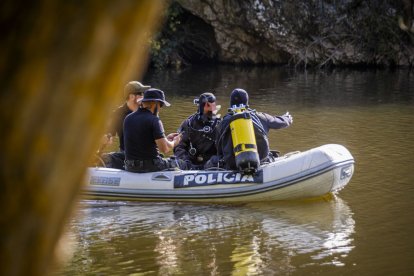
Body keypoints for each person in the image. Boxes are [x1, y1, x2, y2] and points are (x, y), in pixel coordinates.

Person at [215, 88, 293, 170]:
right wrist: (287, 118)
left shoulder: (222, 123)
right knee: (272, 154)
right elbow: (280, 122)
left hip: (233, 166)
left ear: (231, 103)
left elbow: (218, 148)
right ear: (246, 102)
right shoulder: (259, 116)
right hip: (261, 161)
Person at [123, 88, 187, 173]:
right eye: (161, 105)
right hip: (150, 166)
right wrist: (175, 142)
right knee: (182, 163)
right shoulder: (154, 120)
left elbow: (142, 142)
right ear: (155, 103)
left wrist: (165, 139)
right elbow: (164, 149)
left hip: (130, 166)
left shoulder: (128, 118)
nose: (160, 108)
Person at [100, 81, 150, 169]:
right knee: (103, 158)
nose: (143, 96)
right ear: (131, 96)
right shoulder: (118, 114)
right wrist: (106, 137)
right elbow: (110, 134)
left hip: (145, 155)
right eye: (141, 94)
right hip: (125, 154)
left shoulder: (147, 111)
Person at [174, 92, 221, 169]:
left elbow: (223, 149)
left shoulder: (219, 124)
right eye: (209, 105)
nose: (213, 108)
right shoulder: (189, 123)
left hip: (211, 165)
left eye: (214, 105)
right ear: (204, 105)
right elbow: (179, 146)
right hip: (190, 163)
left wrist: (214, 161)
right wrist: (185, 162)